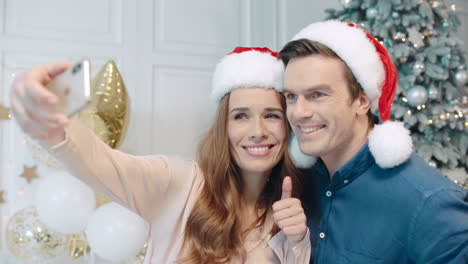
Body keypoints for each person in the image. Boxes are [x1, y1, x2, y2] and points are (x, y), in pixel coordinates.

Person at [10, 47, 312, 263]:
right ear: (224, 127)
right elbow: (101, 161)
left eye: (271, 115)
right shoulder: (179, 182)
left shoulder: (291, 211)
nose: (258, 131)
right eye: (241, 116)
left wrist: (298, 243)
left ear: (288, 127)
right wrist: (48, 120)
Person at [278, 20, 468, 263]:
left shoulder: (429, 204)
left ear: (362, 100)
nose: (299, 112)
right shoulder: (298, 184)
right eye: (291, 96)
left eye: (317, 95)